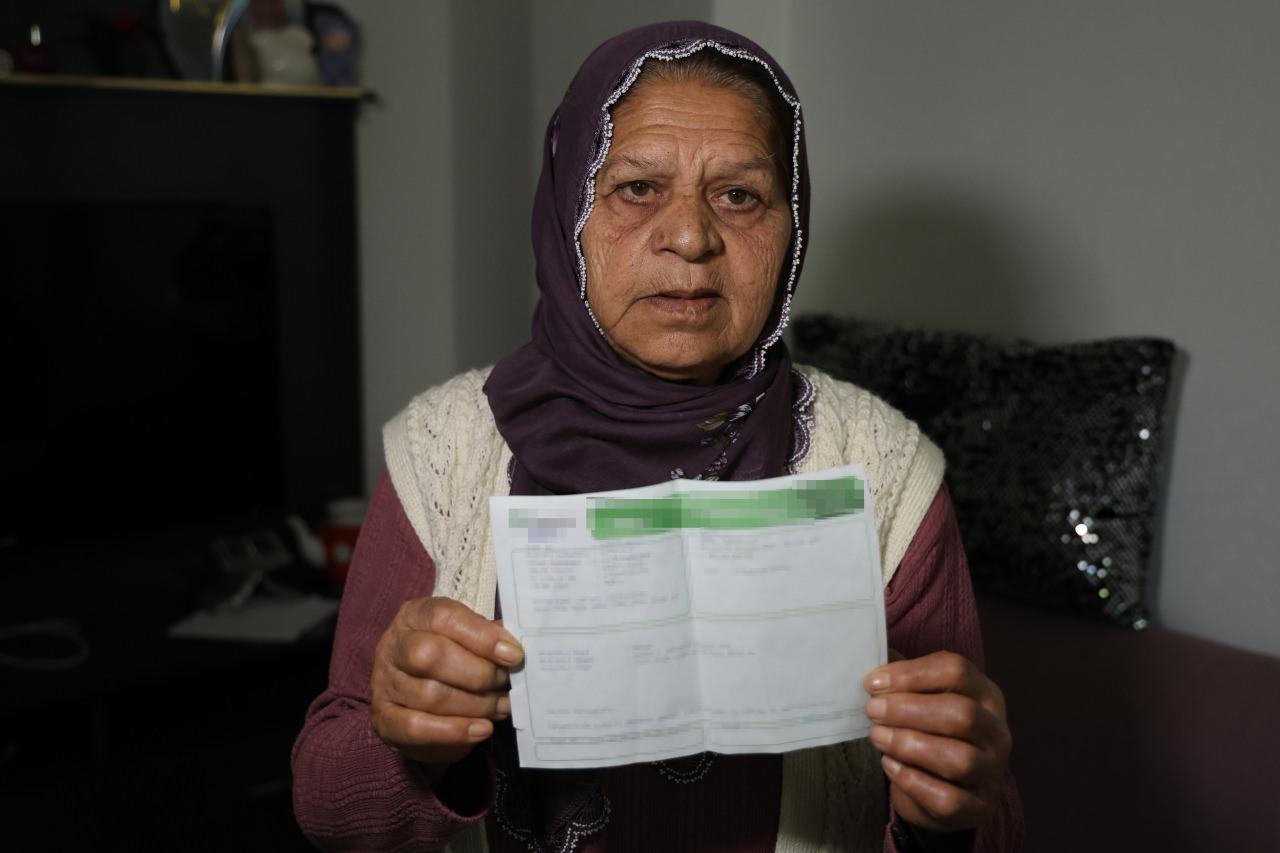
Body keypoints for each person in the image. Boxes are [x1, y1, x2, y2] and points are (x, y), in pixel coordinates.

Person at [292, 20, 1023, 853]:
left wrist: (945, 812)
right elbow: (329, 810)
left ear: (791, 227)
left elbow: (990, 820)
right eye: (638, 187)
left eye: (739, 195)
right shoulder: (444, 450)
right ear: (567, 209)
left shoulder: (885, 472)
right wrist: (415, 745)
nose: (691, 236)